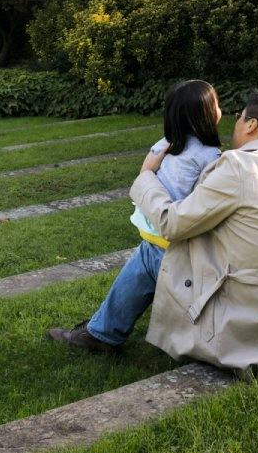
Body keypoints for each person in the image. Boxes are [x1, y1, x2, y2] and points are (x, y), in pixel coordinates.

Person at [128, 87, 258, 376]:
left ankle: (101, 333)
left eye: (240, 117)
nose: (234, 123)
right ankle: (100, 331)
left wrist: (146, 176)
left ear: (251, 125)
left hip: (246, 323)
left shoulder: (239, 165)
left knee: (152, 251)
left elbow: (172, 224)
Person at [48, 80, 223, 353]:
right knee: (145, 260)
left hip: (165, 238)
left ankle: (101, 332)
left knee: (144, 260)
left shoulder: (165, 144)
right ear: (206, 114)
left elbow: (146, 173)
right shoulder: (211, 155)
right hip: (173, 238)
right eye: (217, 105)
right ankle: (101, 331)